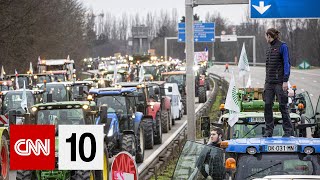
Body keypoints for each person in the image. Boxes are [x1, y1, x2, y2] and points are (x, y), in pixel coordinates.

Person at [263, 28, 293, 138]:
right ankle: (268, 131)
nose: (265, 38)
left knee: (283, 106)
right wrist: (266, 82)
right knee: (267, 105)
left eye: (266, 36)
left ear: (269, 36)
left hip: (280, 82)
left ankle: (288, 131)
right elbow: (268, 68)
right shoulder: (269, 48)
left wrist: (285, 81)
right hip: (269, 83)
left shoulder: (283, 46)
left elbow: (287, 64)